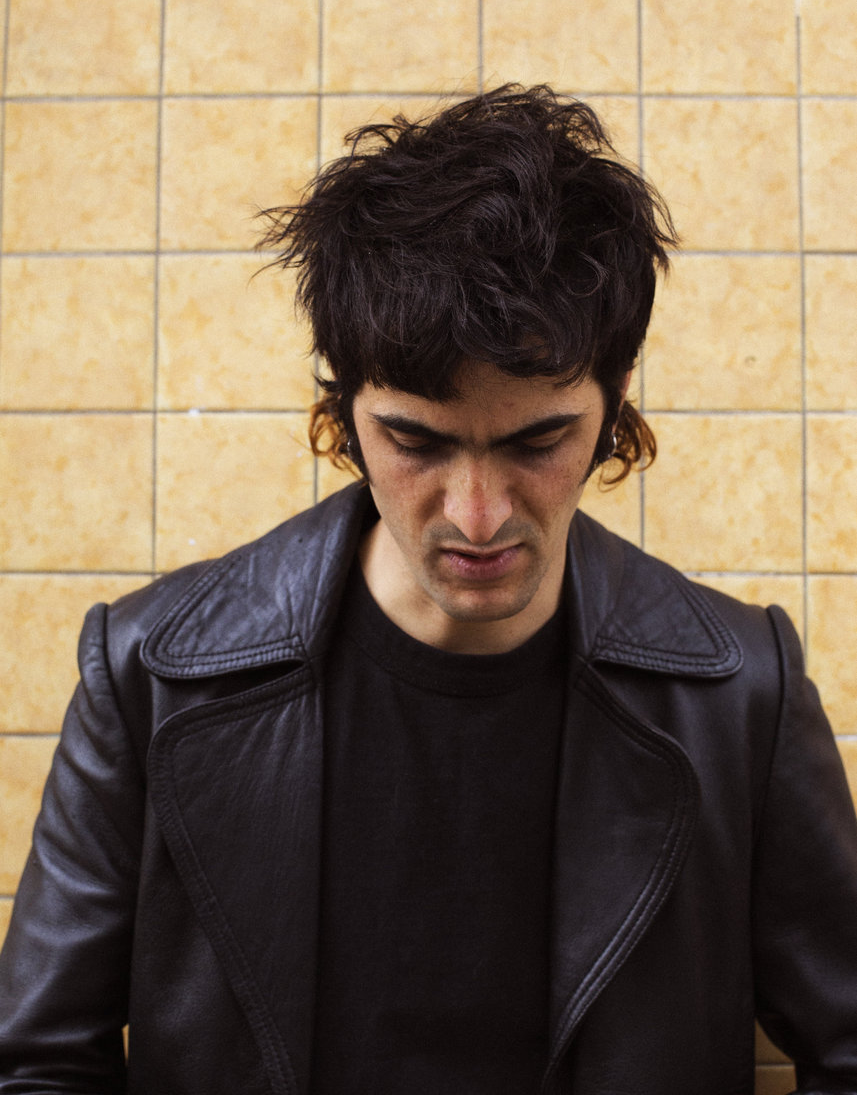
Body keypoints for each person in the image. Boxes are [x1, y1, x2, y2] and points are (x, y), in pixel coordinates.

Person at [0, 84, 856, 1095]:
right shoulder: (151, 675)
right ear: (342, 409)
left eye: (537, 440)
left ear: (614, 402)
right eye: (415, 440)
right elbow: (38, 1065)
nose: (477, 516)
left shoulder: (738, 693)